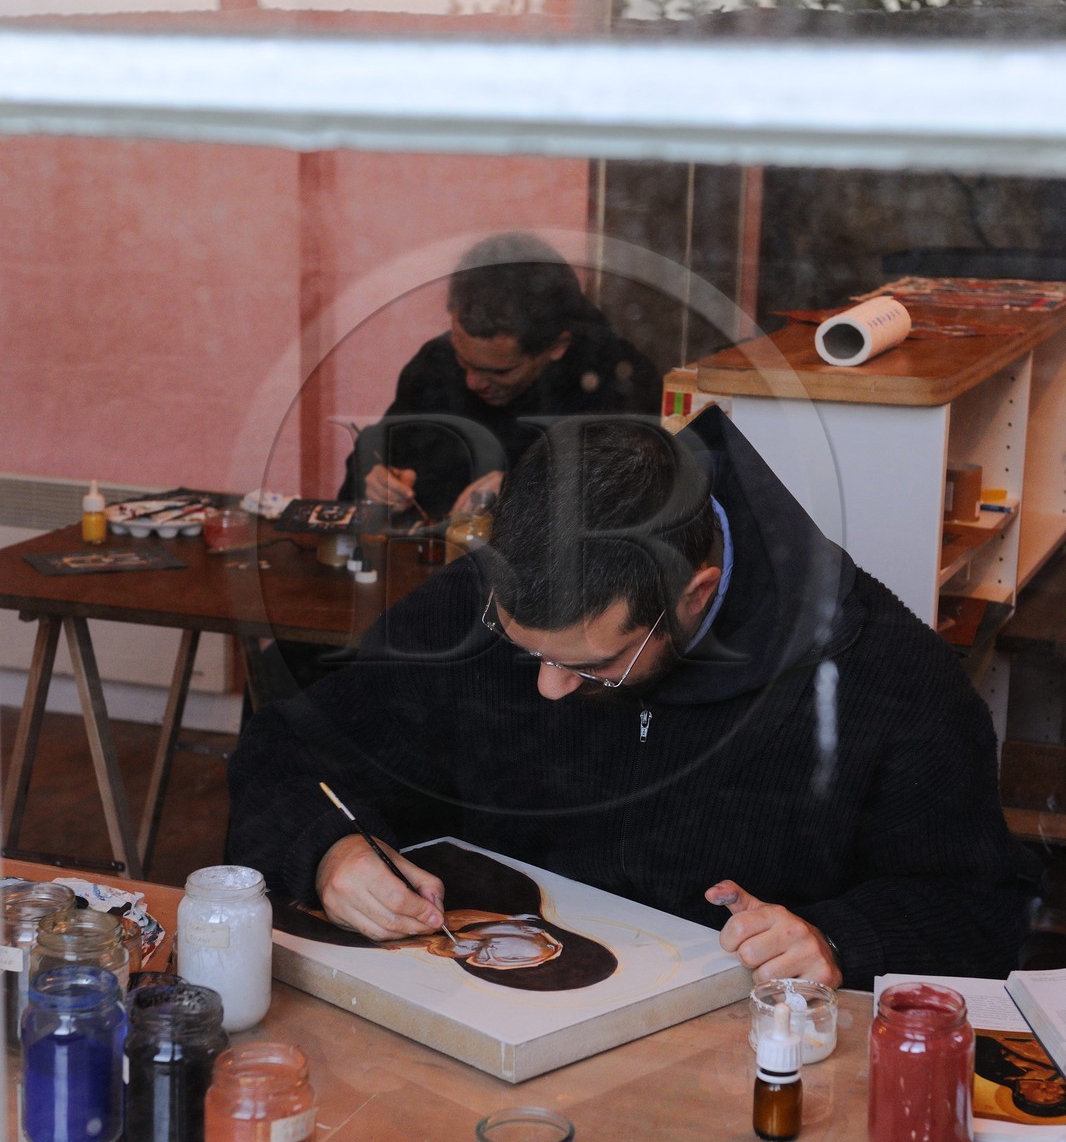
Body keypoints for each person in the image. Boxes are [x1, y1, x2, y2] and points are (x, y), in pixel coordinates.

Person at [229, 410, 1038, 991]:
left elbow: (976, 913)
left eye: (596, 664)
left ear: (697, 592)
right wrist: (327, 851)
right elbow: (288, 752)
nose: (549, 688)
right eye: (524, 647)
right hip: (478, 1028)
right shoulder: (489, 600)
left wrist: (835, 940)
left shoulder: (886, 681)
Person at [339, 232, 661, 518]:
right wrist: (376, 478)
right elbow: (377, 451)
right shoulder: (436, 363)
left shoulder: (619, 383)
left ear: (557, 346)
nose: (472, 382)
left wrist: (521, 491)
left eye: (499, 371)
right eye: (463, 360)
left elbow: (634, 496)